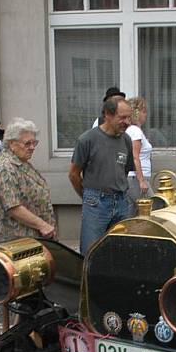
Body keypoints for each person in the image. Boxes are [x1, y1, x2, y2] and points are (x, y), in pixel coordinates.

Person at [69, 97, 135, 254]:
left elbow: (123, 171)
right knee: (90, 253)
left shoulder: (126, 140)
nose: (127, 122)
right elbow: (73, 174)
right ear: (108, 115)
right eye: (122, 117)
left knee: (120, 251)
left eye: (129, 117)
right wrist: (88, 197)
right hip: (96, 203)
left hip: (121, 202)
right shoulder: (87, 140)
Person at [0, 117, 56, 239]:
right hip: (17, 240)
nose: (32, 147)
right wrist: (43, 225)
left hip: (33, 236)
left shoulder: (21, 161)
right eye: (27, 143)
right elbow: (13, 207)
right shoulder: (6, 166)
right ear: (11, 144)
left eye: (34, 143)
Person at [125, 96, 153, 205]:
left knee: (132, 212)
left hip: (134, 177)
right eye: (143, 111)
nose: (145, 114)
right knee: (152, 207)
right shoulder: (135, 131)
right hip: (136, 178)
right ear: (137, 113)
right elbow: (135, 156)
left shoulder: (133, 130)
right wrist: (141, 181)